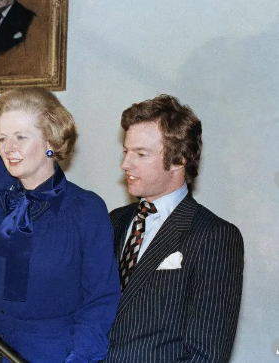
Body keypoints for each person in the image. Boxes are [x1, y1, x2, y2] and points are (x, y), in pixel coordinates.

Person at [0, 0, 120, 363]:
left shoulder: (86, 209)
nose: (8, 148)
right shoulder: (2, 187)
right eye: (2, 137)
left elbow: (100, 299)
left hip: (53, 353)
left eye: (21, 137)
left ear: (50, 139)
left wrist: (80, 358)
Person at [104, 95, 244, 363]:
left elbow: (207, 355)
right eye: (126, 151)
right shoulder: (114, 221)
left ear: (179, 159)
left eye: (141, 154)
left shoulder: (214, 236)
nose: (125, 164)